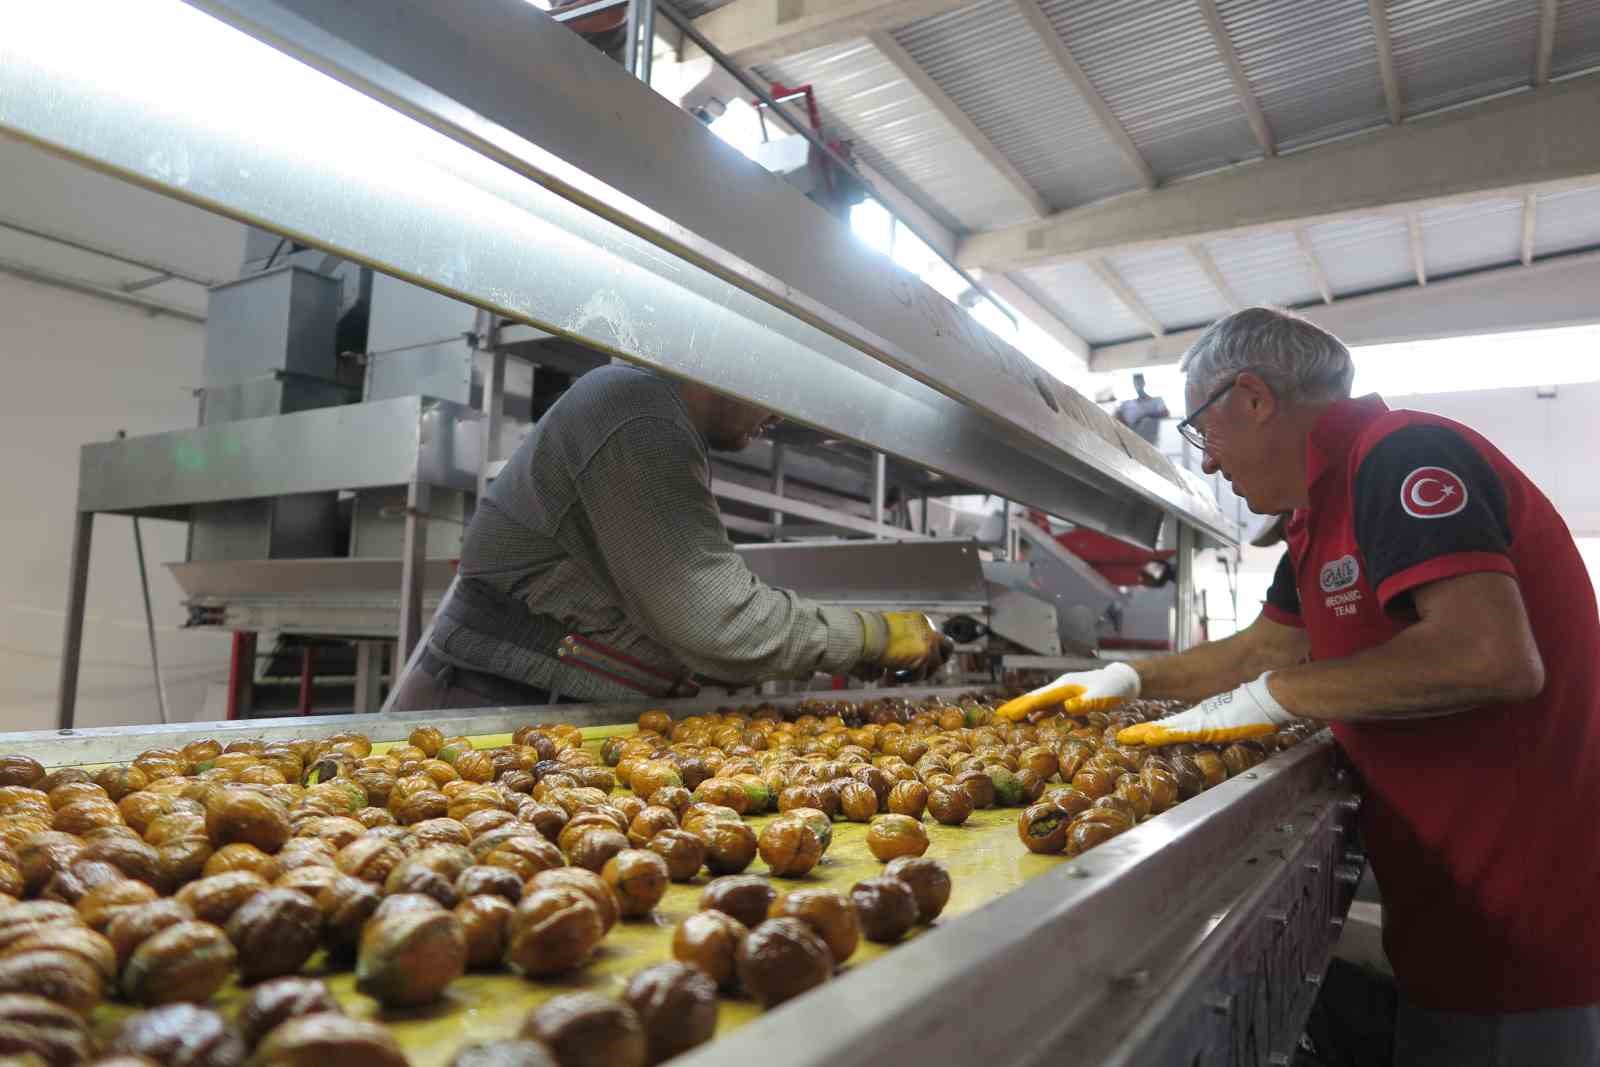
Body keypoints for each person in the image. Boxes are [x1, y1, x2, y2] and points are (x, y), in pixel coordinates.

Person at [997, 307, 1600, 1065]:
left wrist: (1278, 695)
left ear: (1251, 397)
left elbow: (1491, 654)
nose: (1209, 464)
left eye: (1202, 430)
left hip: (1520, 913)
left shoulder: (1402, 456)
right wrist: (1124, 677)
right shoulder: (1320, 511)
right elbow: (1260, 648)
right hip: (1446, 904)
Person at [390, 362, 949, 711]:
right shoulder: (638, 412)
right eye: (783, 383)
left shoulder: (655, 417)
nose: (778, 415)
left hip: (534, 713)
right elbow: (718, 625)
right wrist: (875, 636)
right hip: (491, 719)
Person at [1115, 371, 1170, 446]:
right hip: (1132, 440)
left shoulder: (1157, 401)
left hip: (1151, 440)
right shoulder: (1127, 404)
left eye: (1139, 382)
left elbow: (1165, 413)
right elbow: (1117, 418)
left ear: (1144, 383)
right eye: (1136, 383)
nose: (1138, 386)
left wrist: (1145, 416)